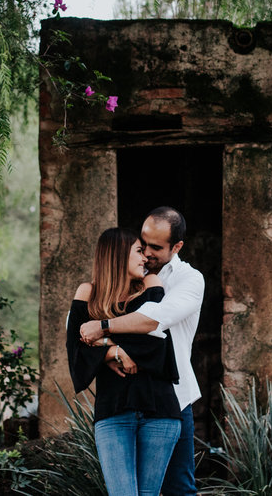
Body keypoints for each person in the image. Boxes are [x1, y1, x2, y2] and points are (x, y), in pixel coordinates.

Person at [80, 207, 203, 496]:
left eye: (156, 247)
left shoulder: (190, 280)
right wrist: (109, 351)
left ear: (177, 247)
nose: (146, 253)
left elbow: (154, 320)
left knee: (179, 490)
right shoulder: (125, 276)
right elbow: (79, 329)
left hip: (173, 399)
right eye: (143, 243)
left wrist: (103, 327)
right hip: (122, 400)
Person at [66, 227, 181, 496]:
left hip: (159, 411)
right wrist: (114, 351)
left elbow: (154, 340)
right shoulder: (87, 293)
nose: (145, 259)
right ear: (117, 256)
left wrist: (101, 334)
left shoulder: (151, 285)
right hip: (113, 412)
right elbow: (75, 347)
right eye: (139, 251)